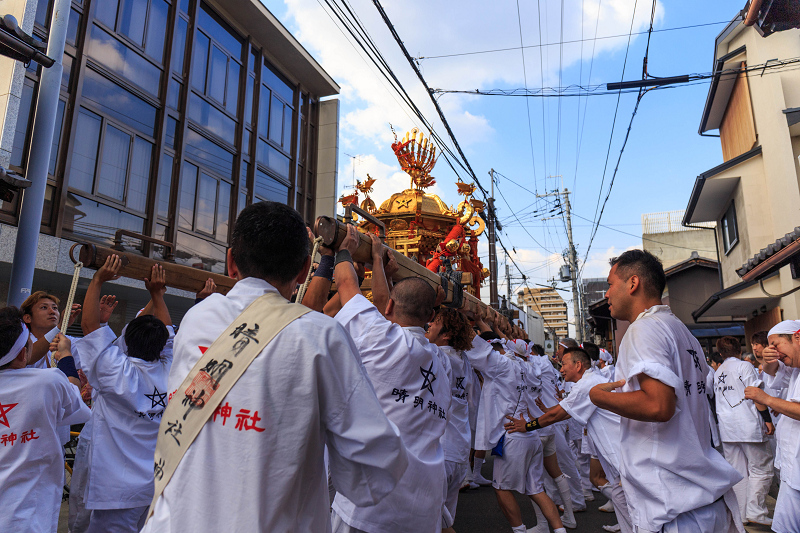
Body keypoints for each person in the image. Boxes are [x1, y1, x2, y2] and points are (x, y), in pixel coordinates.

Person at [142, 202, 407, 533]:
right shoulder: (320, 337)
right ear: (300, 274)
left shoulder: (198, 318)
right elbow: (372, 474)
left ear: (230, 263)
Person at [589, 250, 743, 533]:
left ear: (632, 283)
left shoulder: (643, 330)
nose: (607, 294)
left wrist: (599, 397)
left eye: (611, 284)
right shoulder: (681, 331)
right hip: (700, 498)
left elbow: (658, 406)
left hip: (674, 505)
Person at [320, 227, 450, 533]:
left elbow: (349, 287)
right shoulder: (442, 361)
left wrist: (344, 249)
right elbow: (383, 309)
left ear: (390, 307)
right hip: (424, 499)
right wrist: (383, 271)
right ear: (430, 317)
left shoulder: (382, 338)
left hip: (373, 498)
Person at [73, 257, 175, 532]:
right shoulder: (171, 369)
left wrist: (97, 280)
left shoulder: (116, 372)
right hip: (157, 485)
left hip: (117, 492)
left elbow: (91, 328)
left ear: (125, 343)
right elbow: (167, 335)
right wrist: (158, 294)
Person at [506, 347, 632, 533]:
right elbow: (561, 412)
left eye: (564, 364)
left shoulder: (586, 385)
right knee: (622, 497)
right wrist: (549, 411)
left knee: (626, 499)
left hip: (621, 451)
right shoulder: (589, 381)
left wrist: (527, 426)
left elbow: (557, 415)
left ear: (578, 365)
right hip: (620, 449)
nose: (561, 369)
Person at [468, 313, 566, 533]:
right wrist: (483, 322)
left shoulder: (500, 365)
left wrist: (461, 319)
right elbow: (500, 344)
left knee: (501, 488)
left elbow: (480, 346)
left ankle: (519, 530)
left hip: (514, 435)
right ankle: (560, 531)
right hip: (530, 435)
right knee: (536, 490)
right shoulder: (528, 366)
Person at [0, 306, 91, 532]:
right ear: (23, 354)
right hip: (26, 515)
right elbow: (74, 398)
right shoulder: (47, 381)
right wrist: (66, 355)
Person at [743, 320, 800, 533]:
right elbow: (773, 371)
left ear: (797, 337)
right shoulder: (795, 369)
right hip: (793, 469)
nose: (773, 351)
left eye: (775, 345)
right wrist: (767, 359)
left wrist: (766, 399)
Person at [711, 336, 774, 526]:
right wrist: (767, 420)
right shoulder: (745, 366)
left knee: (739, 472)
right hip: (748, 425)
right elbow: (756, 394)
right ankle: (755, 510)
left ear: (721, 353)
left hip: (728, 429)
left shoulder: (717, 371)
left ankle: (743, 515)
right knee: (761, 468)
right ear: (740, 350)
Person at [425, 307, 478, 532]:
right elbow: (473, 401)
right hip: (459, 451)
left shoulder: (436, 355)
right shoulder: (464, 360)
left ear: (446, 334)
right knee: (445, 517)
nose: (428, 325)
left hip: (440, 452)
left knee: (429, 520)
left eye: (435, 322)